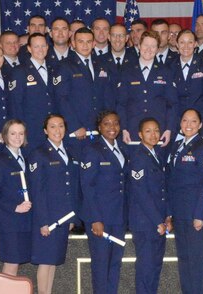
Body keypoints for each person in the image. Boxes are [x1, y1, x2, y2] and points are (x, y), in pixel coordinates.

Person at [165, 109, 203, 294]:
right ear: (179, 123)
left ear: (200, 125)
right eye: (185, 120)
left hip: (196, 215)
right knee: (185, 261)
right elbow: (172, 182)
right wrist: (170, 212)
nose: (188, 124)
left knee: (196, 263)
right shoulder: (177, 146)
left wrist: (199, 215)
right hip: (180, 213)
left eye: (193, 121)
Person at [28, 114, 81, 294]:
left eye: (60, 126)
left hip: (63, 217)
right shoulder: (39, 154)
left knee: (53, 261)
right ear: (45, 131)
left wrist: (72, 217)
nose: (57, 130)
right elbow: (37, 191)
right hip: (47, 217)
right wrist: (43, 221)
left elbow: (72, 187)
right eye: (52, 127)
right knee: (45, 261)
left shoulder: (70, 151)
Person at [80, 111, 127, 294]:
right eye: (107, 123)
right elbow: (87, 186)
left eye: (115, 123)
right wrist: (95, 218)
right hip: (101, 218)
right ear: (99, 127)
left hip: (118, 216)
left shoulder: (122, 148)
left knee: (115, 264)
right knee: (101, 265)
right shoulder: (92, 150)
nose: (112, 127)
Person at [126, 118, 171, 294]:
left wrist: (167, 216)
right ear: (140, 135)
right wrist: (157, 221)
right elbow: (141, 193)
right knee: (146, 269)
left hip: (159, 221)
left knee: (154, 268)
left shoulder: (157, 154)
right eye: (148, 131)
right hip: (146, 223)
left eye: (156, 130)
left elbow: (162, 190)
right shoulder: (138, 157)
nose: (153, 135)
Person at [0, 119, 34, 275]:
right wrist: (15, 207)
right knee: (11, 262)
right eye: (13, 133)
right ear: (5, 135)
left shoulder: (25, 158)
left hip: (25, 219)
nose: (17, 137)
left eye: (21, 133)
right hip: (9, 219)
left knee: (17, 262)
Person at [117, 31, 178, 144]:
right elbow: (121, 103)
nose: (149, 49)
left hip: (159, 131)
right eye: (146, 45)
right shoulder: (127, 71)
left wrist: (169, 129)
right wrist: (124, 129)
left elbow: (172, 104)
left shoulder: (165, 72)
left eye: (153, 46)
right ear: (139, 46)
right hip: (133, 131)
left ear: (157, 49)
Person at [58, 28, 112, 142]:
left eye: (88, 42)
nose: (85, 45)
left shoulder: (102, 64)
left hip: (99, 128)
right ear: (73, 43)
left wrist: (107, 123)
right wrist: (74, 126)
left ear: (94, 44)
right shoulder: (65, 66)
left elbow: (107, 97)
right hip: (77, 130)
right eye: (80, 41)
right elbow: (61, 99)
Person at [10, 33, 59, 150]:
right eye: (36, 46)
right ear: (29, 48)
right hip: (31, 129)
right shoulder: (20, 71)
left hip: (53, 130)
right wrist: (20, 130)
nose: (40, 50)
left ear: (47, 47)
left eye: (43, 46)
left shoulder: (55, 69)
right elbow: (15, 104)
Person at [172, 31, 203, 142]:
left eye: (190, 42)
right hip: (178, 124)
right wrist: (180, 123)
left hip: (202, 123)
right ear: (177, 45)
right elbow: (171, 100)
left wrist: (196, 123)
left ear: (195, 44)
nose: (186, 46)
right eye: (182, 42)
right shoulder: (171, 66)